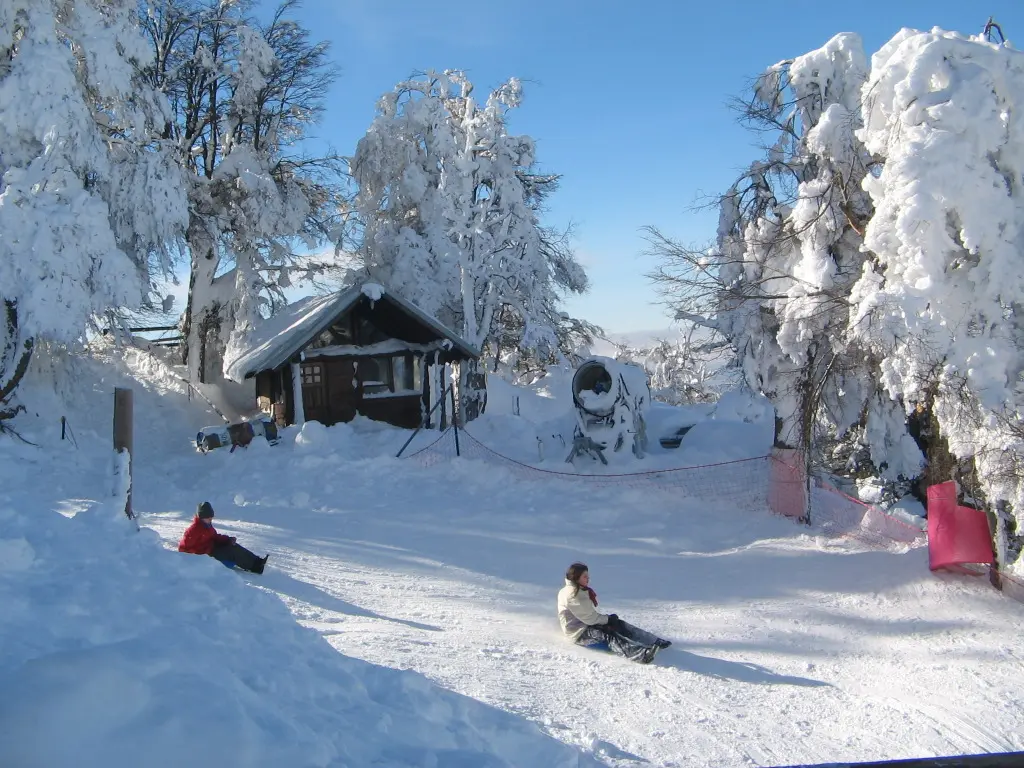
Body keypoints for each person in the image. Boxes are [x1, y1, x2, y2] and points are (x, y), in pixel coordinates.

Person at [557, 562, 670, 664]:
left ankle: (654, 641)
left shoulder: (578, 589)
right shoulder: (572, 594)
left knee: (618, 624)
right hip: (578, 633)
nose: (588, 579)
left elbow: (589, 616)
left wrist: (609, 620)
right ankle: (642, 655)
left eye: (588, 576)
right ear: (576, 578)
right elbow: (590, 619)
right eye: (585, 576)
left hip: (585, 624)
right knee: (608, 635)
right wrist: (608, 619)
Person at [178, 501, 268, 574]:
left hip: (213, 549)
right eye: (208, 518)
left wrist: (228, 540)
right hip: (207, 554)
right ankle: (255, 567)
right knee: (231, 552)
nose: (210, 519)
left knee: (233, 546)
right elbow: (183, 549)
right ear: (201, 517)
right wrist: (201, 555)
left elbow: (215, 537)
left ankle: (257, 561)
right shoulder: (193, 530)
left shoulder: (207, 526)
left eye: (211, 517)